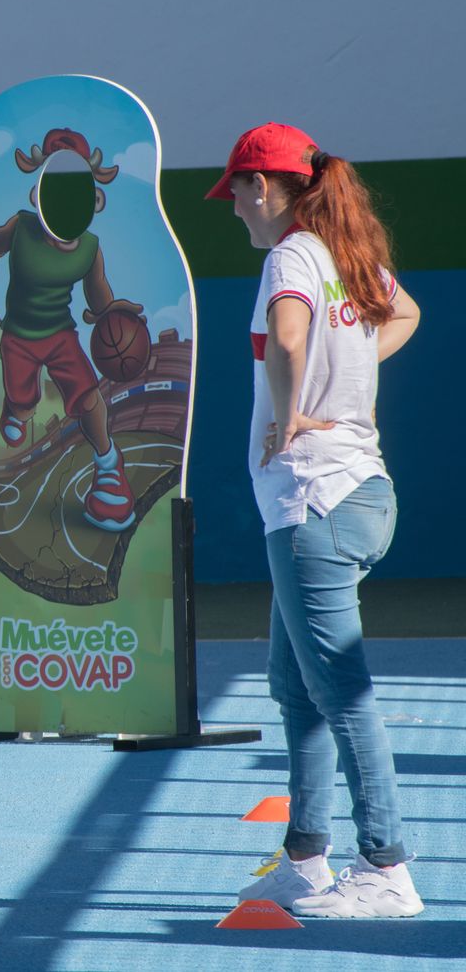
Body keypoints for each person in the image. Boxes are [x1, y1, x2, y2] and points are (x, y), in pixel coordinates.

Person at [210, 123, 423, 918]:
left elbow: (290, 336)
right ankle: (306, 858)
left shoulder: (291, 256)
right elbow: (402, 316)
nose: (232, 206)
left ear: (264, 187)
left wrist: (293, 411)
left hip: (315, 503)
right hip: (353, 494)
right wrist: (350, 377)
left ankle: (388, 868)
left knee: (340, 690)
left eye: (235, 190)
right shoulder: (350, 254)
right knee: (296, 686)